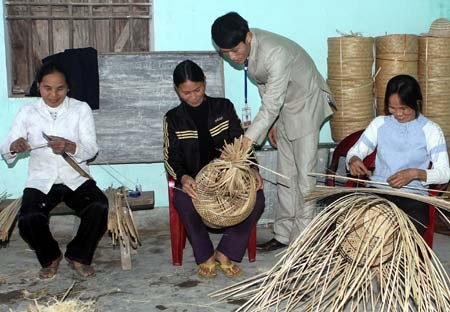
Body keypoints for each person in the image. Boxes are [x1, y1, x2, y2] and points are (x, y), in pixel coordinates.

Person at [211, 12, 334, 251]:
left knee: (305, 176)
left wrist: (246, 142)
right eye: (225, 54)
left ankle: (302, 240)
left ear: (248, 37)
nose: (233, 58)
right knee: (285, 175)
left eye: (235, 51)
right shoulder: (247, 50)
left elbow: (270, 103)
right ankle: (283, 234)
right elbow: (267, 89)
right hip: (283, 106)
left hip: (306, 104)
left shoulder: (275, 53)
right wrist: (273, 124)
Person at [0, 62, 108, 279]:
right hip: (42, 178)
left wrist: (71, 146)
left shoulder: (80, 109)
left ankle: (78, 255)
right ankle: (50, 257)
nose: (53, 94)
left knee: (99, 205)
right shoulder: (27, 112)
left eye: (60, 88)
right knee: (29, 218)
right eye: (47, 88)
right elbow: (7, 147)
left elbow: (91, 149)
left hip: (74, 177)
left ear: (68, 88)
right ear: (39, 87)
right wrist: (15, 146)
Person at [163, 60, 265, 278]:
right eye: (186, 92)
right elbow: (171, 156)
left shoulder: (223, 107)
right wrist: (183, 177)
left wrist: (252, 169)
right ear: (177, 91)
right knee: (182, 200)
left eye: (197, 89)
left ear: (205, 84)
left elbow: (240, 142)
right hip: (195, 182)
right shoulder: (173, 119)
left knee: (258, 199)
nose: (194, 96)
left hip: (229, 178)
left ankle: (226, 252)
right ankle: (205, 255)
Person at [347, 74, 450, 235]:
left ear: (416, 103)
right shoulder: (379, 124)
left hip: (413, 197)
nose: (398, 114)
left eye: (404, 108)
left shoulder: (431, 130)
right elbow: (356, 150)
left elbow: (444, 174)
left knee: (402, 234)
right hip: (379, 192)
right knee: (354, 226)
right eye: (392, 108)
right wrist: (353, 159)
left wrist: (415, 174)